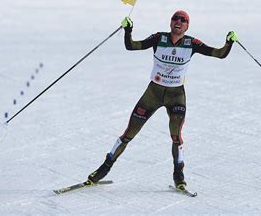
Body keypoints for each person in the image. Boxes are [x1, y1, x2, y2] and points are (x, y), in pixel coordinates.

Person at [88, 10, 238, 190]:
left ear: (187, 26)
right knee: (129, 133)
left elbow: (219, 54)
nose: (179, 22)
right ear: (170, 22)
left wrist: (228, 43)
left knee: (176, 136)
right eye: (176, 18)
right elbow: (133, 46)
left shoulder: (192, 43)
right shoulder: (159, 38)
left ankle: (179, 175)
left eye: (183, 20)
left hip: (176, 97)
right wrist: (128, 30)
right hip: (153, 94)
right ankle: (104, 168)